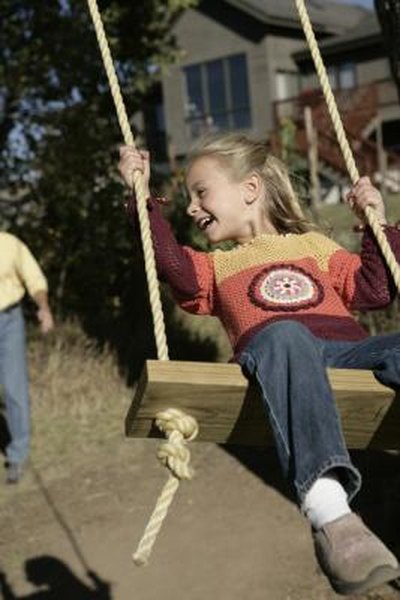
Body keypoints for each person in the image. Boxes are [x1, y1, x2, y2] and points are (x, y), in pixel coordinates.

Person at [118, 133, 400, 596]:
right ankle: (332, 515)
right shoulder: (213, 268)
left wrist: (376, 224)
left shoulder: (314, 246)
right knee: (285, 333)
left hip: (348, 356)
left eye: (201, 192)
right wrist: (139, 194)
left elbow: (374, 289)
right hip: (277, 356)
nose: (191, 207)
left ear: (249, 189)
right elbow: (165, 260)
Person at [0, 232, 54, 484]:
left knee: (14, 389)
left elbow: (34, 278)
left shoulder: (10, 244)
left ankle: (18, 455)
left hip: (9, 321)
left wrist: (43, 308)